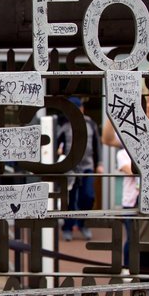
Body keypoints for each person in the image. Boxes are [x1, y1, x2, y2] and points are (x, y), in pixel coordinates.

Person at [58, 97, 104, 240]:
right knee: (70, 200)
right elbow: (53, 143)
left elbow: (98, 144)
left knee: (88, 196)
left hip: (87, 167)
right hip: (70, 168)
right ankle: (68, 227)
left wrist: (100, 163)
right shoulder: (64, 125)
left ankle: (83, 224)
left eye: (79, 108)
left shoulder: (90, 123)